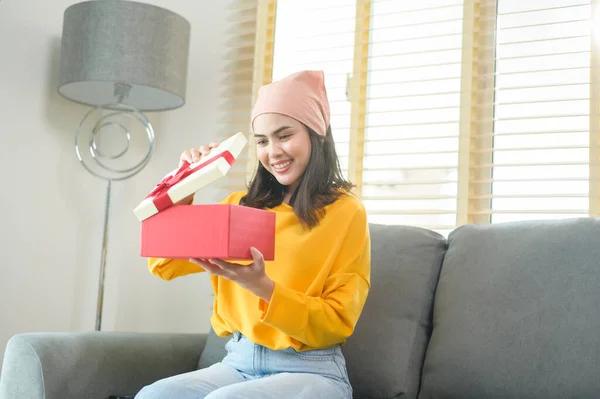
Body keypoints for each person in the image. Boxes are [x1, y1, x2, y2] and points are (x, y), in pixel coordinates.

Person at [135, 70, 371, 399]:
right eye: (262, 140)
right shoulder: (240, 208)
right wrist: (186, 183)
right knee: (154, 395)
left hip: (312, 369)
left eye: (284, 135)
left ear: (316, 135)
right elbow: (164, 265)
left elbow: (335, 321)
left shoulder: (345, 213)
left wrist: (261, 286)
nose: (273, 151)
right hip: (238, 361)